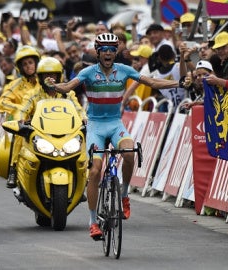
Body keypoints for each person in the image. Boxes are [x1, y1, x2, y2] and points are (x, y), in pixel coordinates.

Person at [44, 33, 185, 239]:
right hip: (95, 126)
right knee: (94, 172)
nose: (108, 53)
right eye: (104, 50)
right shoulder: (88, 72)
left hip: (115, 124)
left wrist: (178, 84)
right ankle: (93, 222)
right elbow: (67, 87)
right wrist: (54, 86)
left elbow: (152, 82)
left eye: (112, 50)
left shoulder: (125, 70)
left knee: (129, 153)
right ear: (99, 53)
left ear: (116, 52)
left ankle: (125, 195)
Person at [0, 45, 41, 188]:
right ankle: (13, 169)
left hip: (47, 121)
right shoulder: (15, 84)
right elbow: (2, 102)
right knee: (20, 135)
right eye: (25, 64)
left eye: (30, 62)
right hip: (26, 123)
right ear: (20, 68)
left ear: (36, 63)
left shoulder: (46, 81)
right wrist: (19, 109)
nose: (28, 66)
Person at [16, 57, 86, 122]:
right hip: (40, 133)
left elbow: (78, 109)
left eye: (52, 74)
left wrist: (84, 118)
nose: (49, 78)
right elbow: (22, 110)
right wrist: (20, 119)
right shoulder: (32, 94)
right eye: (46, 75)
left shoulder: (68, 94)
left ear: (58, 76)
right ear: (41, 77)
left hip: (66, 132)